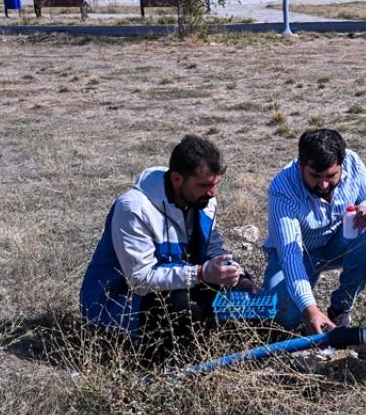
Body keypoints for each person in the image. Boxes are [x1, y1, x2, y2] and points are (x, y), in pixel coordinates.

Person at [79, 134, 251, 358]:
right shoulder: (134, 209)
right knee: (181, 306)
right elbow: (139, 279)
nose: (212, 193)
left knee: (236, 292)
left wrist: (238, 275)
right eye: (204, 185)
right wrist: (201, 273)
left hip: (176, 285)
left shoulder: (202, 200)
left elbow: (212, 249)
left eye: (215, 185)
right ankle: (161, 364)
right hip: (116, 302)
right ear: (177, 179)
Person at [259, 128, 366, 334]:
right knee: (283, 316)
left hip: (336, 242)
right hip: (300, 253)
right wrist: (310, 310)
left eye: (331, 175)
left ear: (341, 164)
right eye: (315, 176)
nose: (324, 184)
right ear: (301, 165)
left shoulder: (352, 162)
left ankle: (341, 309)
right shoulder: (283, 189)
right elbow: (290, 256)